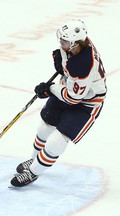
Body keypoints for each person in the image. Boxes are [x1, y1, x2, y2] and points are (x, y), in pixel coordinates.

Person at [10, 19, 107, 187]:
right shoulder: (76, 46)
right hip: (69, 89)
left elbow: (73, 98)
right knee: (45, 127)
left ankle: (33, 172)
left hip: (87, 103)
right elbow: (67, 67)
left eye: (64, 41)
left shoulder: (83, 64)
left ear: (75, 43)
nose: (60, 42)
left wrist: (50, 89)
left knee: (57, 141)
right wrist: (62, 65)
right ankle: (33, 160)